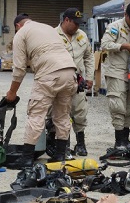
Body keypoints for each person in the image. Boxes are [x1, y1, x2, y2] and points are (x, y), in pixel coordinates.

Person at [5, 15, 77, 166]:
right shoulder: (48, 27)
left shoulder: (21, 33)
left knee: (36, 114)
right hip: (70, 71)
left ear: (18, 25)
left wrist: (12, 93)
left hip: (49, 73)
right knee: (63, 115)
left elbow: (19, 69)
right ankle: (60, 155)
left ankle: (26, 158)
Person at [101, 2, 130, 147]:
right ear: (126, 15)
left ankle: (125, 138)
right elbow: (104, 44)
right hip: (116, 71)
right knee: (118, 106)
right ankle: (118, 140)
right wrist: (122, 46)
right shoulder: (114, 27)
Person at [58, 8, 94, 156]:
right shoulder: (53, 35)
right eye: (75, 23)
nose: (78, 27)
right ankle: (63, 145)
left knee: (79, 113)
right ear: (66, 20)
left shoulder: (82, 36)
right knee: (61, 114)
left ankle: (80, 143)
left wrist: (90, 77)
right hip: (60, 82)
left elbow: (89, 57)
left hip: (78, 81)